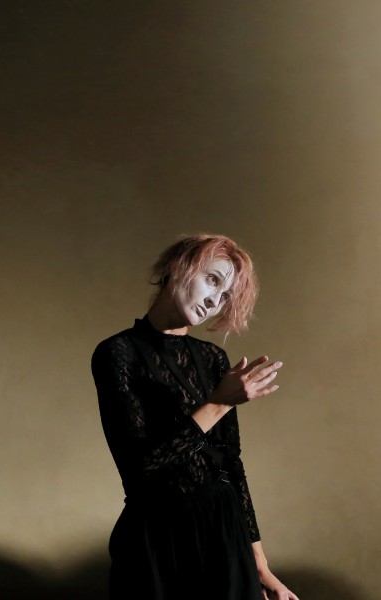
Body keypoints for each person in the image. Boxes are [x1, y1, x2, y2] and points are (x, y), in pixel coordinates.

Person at [92, 234, 299, 600]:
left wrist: (261, 566)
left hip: (224, 532)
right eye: (212, 280)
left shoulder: (213, 359)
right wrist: (219, 404)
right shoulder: (118, 353)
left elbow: (231, 465)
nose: (215, 301)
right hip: (155, 539)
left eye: (225, 295)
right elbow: (139, 469)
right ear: (177, 267)